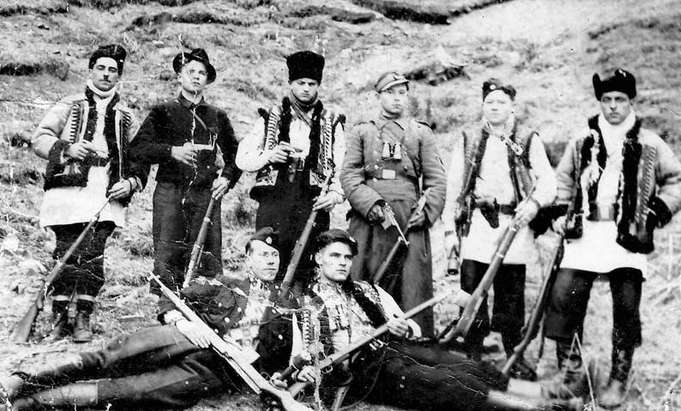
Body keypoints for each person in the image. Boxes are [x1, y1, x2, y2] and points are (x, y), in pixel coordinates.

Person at [0, 228, 302, 410]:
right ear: (248, 258)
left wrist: (278, 375)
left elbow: (284, 360)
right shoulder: (224, 283)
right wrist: (181, 322)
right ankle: (20, 382)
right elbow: (172, 297)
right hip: (186, 336)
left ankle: (28, 405)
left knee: (131, 391)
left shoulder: (287, 306)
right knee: (110, 356)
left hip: (219, 370)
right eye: (263, 254)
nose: (270, 261)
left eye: (275, 256)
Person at [294, 229, 589, 411]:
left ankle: (550, 394)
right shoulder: (308, 305)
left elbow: (410, 326)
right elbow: (307, 360)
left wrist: (404, 327)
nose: (343, 263)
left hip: (395, 351)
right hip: (365, 373)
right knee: (450, 384)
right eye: (335, 256)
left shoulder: (366, 290)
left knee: (470, 367)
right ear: (318, 258)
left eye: (347, 258)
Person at [543, 68, 681, 407]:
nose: (612, 106)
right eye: (606, 99)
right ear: (599, 101)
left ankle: (618, 378)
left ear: (630, 101)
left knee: (626, 306)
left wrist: (655, 213)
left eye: (620, 99)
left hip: (627, 236)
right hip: (586, 233)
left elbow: (678, 181)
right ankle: (571, 375)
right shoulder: (583, 140)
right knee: (564, 297)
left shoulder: (649, 143)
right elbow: (563, 179)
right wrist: (561, 214)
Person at [442, 78, 557, 379]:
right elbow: (453, 187)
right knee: (472, 292)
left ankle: (511, 355)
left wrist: (534, 205)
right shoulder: (468, 139)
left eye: (501, 102)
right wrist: (449, 231)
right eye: (490, 102)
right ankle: (472, 354)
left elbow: (548, 182)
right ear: (483, 106)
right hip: (477, 227)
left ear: (512, 107)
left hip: (514, 226)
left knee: (511, 295)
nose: (495, 107)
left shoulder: (527, 140)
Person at [31, 44, 145, 342]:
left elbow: (139, 158)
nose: (106, 74)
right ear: (91, 70)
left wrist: (131, 182)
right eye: (101, 68)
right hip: (68, 189)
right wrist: (67, 149)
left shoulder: (126, 116)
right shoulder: (69, 104)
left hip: (105, 190)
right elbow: (40, 138)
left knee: (93, 253)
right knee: (66, 251)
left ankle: (83, 314)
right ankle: (59, 316)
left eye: (113, 70)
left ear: (119, 76)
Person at [340, 72, 446, 335]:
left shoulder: (420, 132)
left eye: (402, 93)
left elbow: (436, 179)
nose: (397, 99)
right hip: (370, 219)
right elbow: (350, 175)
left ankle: (414, 344)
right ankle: (363, 339)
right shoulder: (362, 131)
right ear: (378, 96)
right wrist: (370, 203)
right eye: (390, 93)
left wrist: (427, 211)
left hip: (409, 220)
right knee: (366, 279)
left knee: (412, 285)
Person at [129, 48, 241, 295]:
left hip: (205, 195)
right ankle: (167, 309)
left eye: (202, 73)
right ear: (179, 76)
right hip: (170, 192)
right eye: (191, 71)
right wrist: (171, 151)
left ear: (207, 80)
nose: (196, 76)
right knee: (167, 255)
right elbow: (138, 149)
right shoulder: (163, 111)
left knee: (206, 257)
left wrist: (227, 178)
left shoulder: (217, 116)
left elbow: (236, 156)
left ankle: (204, 310)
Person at [235, 50, 345, 292]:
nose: (306, 89)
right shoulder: (271, 116)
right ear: (290, 83)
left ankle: (304, 309)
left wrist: (335, 195)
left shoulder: (331, 120)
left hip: (312, 199)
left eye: (311, 84)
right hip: (276, 198)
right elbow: (242, 159)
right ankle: (268, 307)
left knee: (309, 259)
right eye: (300, 83)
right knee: (271, 254)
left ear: (318, 85)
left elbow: (341, 165)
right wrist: (269, 156)